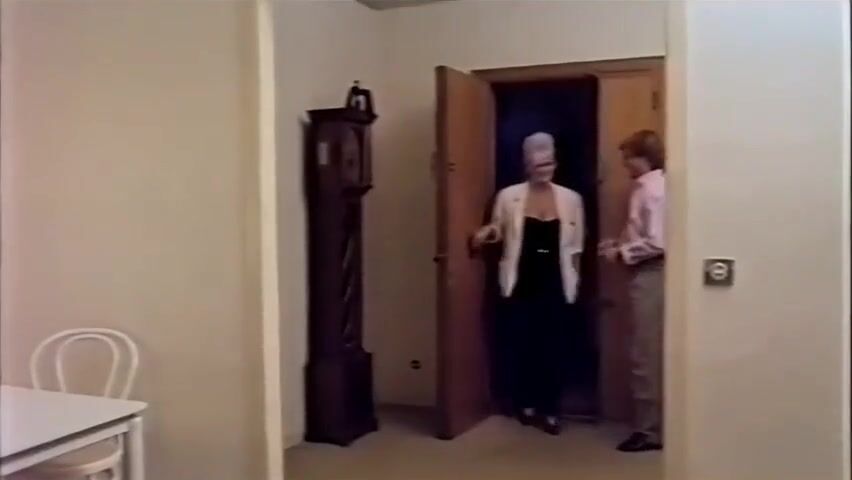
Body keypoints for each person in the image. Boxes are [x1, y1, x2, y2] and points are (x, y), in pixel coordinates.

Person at [471, 132, 585, 436]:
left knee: (554, 346)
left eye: (550, 164)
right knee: (523, 344)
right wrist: (486, 233)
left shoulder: (571, 199)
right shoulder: (509, 196)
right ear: (527, 165)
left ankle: (551, 409)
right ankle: (526, 403)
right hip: (522, 278)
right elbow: (499, 228)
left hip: (555, 280)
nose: (546, 169)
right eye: (539, 165)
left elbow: (576, 247)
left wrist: (575, 285)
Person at [599, 129, 665, 452]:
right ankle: (651, 426)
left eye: (627, 157)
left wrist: (621, 253)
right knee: (647, 351)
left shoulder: (652, 190)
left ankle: (650, 431)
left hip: (651, 273)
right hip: (648, 272)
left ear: (642, 157)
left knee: (645, 353)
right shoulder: (650, 187)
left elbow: (658, 242)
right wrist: (619, 243)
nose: (624, 164)